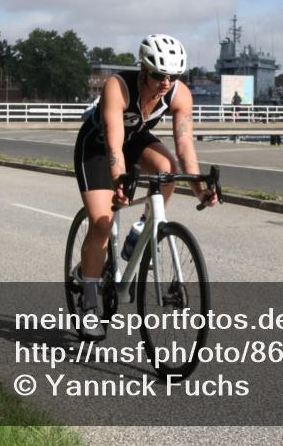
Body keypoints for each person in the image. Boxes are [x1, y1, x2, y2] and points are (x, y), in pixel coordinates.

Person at [73, 34, 218, 340]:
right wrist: (119, 181)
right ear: (143, 69)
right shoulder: (119, 86)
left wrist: (199, 188)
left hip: (135, 139)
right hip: (98, 145)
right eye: (159, 75)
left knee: (168, 169)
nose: (166, 82)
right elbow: (114, 140)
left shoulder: (180, 94)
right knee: (102, 221)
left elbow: (184, 147)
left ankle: (142, 229)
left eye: (174, 76)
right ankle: (88, 303)